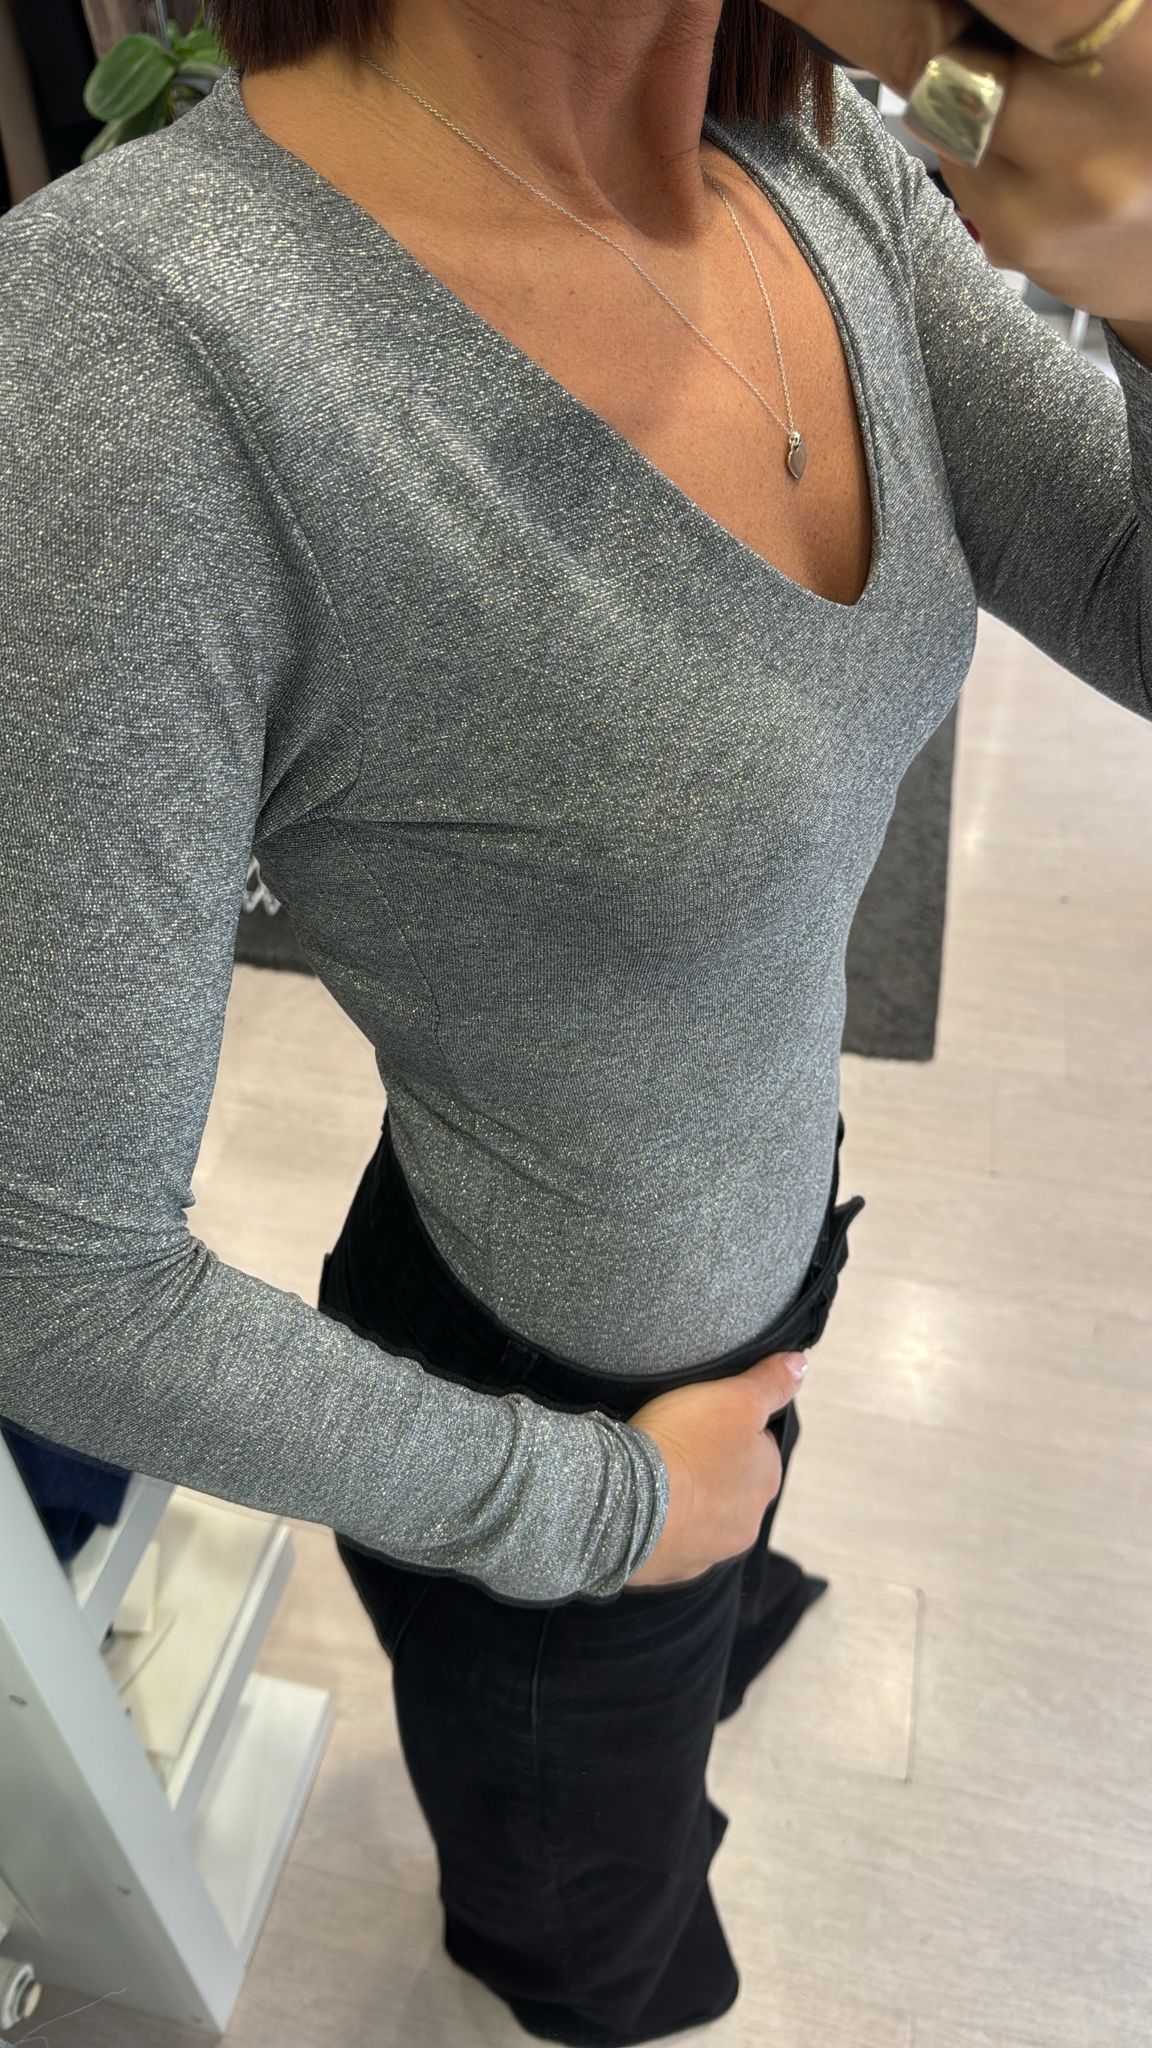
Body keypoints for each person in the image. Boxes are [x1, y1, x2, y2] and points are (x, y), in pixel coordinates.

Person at [1, 2, 1149, 2042]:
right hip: (548, 1419)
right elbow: (49, 1278)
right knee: (596, 1946)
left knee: (690, 1649)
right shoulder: (134, 350)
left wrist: (1143, 276)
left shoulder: (823, 155)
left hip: (758, 1257)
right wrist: (609, 1515)